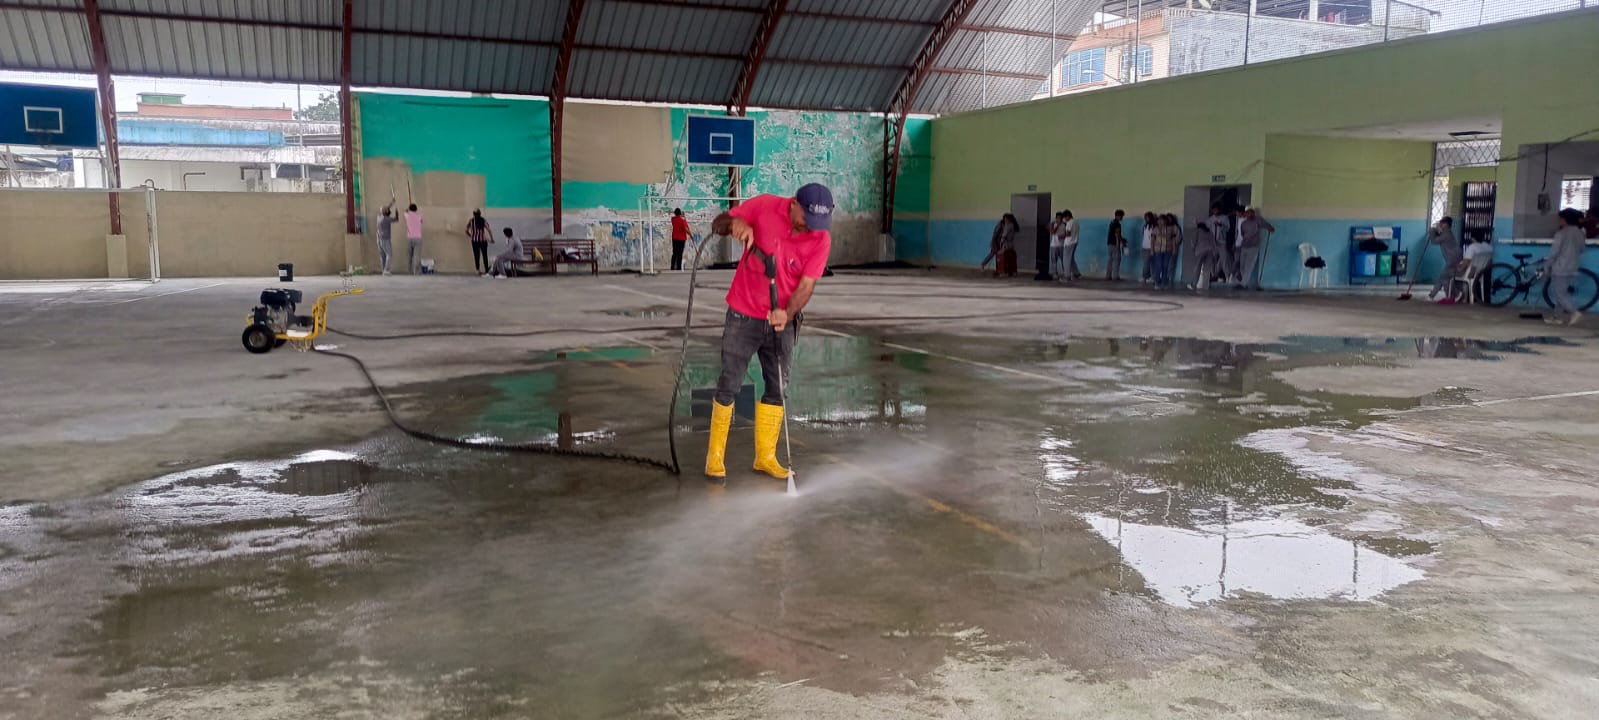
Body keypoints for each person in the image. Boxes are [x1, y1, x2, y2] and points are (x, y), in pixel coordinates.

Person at [704, 183, 834, 483]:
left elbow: (806, 286)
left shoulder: (820, 239)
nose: (810, 228)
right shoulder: (764, 207)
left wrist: (787, 314)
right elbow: (718, 224)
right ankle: (715, 457)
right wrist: (736, 224)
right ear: (795, 204)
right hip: (743, 313)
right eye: (807, 220)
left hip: (781, 320)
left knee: (777, 387)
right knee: (729, 383)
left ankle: (765, 457)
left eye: (818, 223)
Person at [1545, 208, 1586, 325]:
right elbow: (1582, 249)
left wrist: (1547, 265)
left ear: (1565, 219)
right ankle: (1556, 317)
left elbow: (1554, 252)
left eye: (1560, 219)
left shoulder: (1561, 233)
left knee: (1560, 294)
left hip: (1560, 267)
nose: (1559, 221)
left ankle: (1574, 312)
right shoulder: (1580, 233)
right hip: (1573, 266)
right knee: (1562, 292)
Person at [1235, 207, 1275, 290]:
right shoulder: (1244, 223)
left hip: (1254, 246)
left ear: (1253, 214)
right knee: (1242, 265)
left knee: (1249, 265)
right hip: (1244, 246)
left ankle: (1243, 284)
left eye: (1251, 213)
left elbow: (1267, 225)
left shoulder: (1258, 220)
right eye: (1247, 213)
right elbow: (1242, 234)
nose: (1249, 215)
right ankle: (1243, 282)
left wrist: (1270, 228)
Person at [1425, 216, 1460, 300]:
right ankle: (1434, 295)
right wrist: (1435, 231)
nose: (1440, 224)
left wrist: (1432, 231)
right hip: (1454, 258)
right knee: (1444, 277)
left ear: (1446, 224)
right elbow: (1438, 236)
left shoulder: (1447, 234)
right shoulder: (1446, 233)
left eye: (1442, 223)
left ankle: (1455, 294)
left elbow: (1434, 241)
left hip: (1453, 259)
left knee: (1443, 277)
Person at [1190, 219, 1220, 290]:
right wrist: (1214, 253)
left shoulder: (1197, 231)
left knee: (1197, 268)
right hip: (1210, 251)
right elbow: (1214, 244)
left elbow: (1193, 241)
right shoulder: (1210, 232)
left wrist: (1193, 249)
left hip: (1200, 251)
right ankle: (1205, 287)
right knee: (1207, 269)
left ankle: (1193, 285)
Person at [1150, 215, 1179, 289]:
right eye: (1159, 220)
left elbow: (1173, 240)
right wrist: (1152, 250)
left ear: (1165, 221)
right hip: (1158, 250)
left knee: (1165, 266)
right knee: (1159, 266)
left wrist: (1174, 249)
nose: (1159, 221)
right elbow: (1152, 240)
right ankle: (1157, 282)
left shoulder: (1171, 229)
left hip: (1168, 250)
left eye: (1161, 220)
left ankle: (1164, 282)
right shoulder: (1155, 229)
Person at [1207, 205, 1231, 285]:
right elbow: (1207, 229)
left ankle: (1227, 276)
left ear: (1219, 210)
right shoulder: (1210, 219)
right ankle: (1213, 275)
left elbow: (1228, 228)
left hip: (1221, 242)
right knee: (1212, 260)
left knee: (1224, 260)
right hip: (1212, 242)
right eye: (1214, 210)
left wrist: (1221, 226)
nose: (1215, 211)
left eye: (1216, 210)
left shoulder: (1224, 218)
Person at [465, 209, 493, 276]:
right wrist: (492, 239)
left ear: (473, 214)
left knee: (476, 256)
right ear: (480, 214)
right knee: (484, 255)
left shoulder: (471, 221)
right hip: (483, 241)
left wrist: (471, 236)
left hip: (474, 242)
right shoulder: (483, 220)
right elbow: (489, 230)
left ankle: (478, 270)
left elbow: (466, 231)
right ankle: (486, 270)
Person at [374, 199, 396, 276]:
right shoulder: (387, 219)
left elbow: (384, 210)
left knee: (382, 255)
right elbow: (396, 219)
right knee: (389, 254)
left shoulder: (379, 217)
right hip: (385, 239)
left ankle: (383, 270)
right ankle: (386, 270)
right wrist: (397, 213)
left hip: (379, 238)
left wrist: (391, 203)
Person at [1059, 210, 1081, 280]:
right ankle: (1076, 273)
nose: (1065, 219)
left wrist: (1061, 236)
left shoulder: (1069, 223)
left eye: (1065, 218)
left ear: (1068, 216)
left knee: (1066, 260)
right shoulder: (1076, 222)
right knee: (1071, 259)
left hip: (1069, 243)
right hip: (1075, 242)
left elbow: (1068, 234)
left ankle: (1067, 276)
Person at [1106, 210, 1126, 281]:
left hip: (1109, 243)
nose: (1122, 218)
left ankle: (1108, 275)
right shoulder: (1117, 224)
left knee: (1110, 260)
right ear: (1118, 216)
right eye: (1121, 216)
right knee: (1116, 260)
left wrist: (1122, 239)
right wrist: (1120, 243)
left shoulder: (1112, 222)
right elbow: (1117, 234)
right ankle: (1115, 276)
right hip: (1115, 244)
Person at [404, 203, 424, 275]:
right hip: (418, 238)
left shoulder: (407, 215)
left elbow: (405, 211)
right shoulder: (419, 216)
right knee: (416, 255)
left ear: (410, 209)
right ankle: (416, 271)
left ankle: (409, 271)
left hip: (409, 238)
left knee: (409, 255)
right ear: (416, 209)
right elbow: (421, 222)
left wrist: (408, 210)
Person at [1047, 212, 1067, 281]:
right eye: (1058, 218)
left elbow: (1066, 234)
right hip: (1054, 245)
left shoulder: (1064, 225)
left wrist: (1062, 236)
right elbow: (1052, 232)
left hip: (1062, 245)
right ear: (1056, 218)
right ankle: (1055, 274)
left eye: (1060, 218)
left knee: (1063, 260)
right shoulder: (1053, 224)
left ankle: (1065, 273)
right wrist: (1057, 225)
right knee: (1054, 261)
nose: (1059, 219)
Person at [1140, 211, 1157, 284]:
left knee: (1148, 264)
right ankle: (1149, 277)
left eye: (1147, 217)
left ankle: (1146, 277)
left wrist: (1152, 249)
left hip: (1150, 247)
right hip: (1144, 247)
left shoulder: (1154, 227)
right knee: (1146, 263)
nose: (1146, 219)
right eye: (1145, 217)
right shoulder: (1145, 226)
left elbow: (1154, 238)